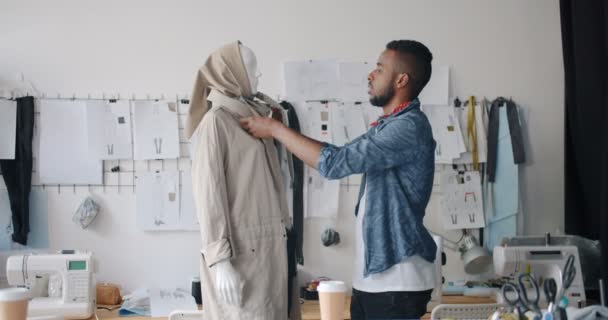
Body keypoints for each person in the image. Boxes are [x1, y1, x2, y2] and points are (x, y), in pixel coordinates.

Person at [240, 40, 438, 319]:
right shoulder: (387, 126)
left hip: (397, 284)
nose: (371, 74)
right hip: (373, 282)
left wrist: (275, 129)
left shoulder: (409, 127)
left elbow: (334, 163)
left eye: (380, 69)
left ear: (401, 79)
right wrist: (280, 129)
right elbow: (337, 156)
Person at [186, 41, 294, 320]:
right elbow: (208, 196)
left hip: (271, 253)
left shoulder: (257, 117)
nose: (258, 76)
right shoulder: (217, 122)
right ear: (232, 73)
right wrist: (219, 260)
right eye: (252, 69)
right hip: (242, 259)